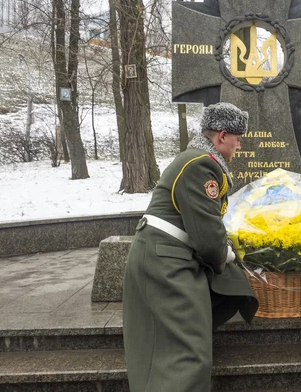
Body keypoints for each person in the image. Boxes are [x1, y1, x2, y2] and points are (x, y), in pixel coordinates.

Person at [122, 102, 259, 392]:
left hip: (165, 255)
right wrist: (226, 253)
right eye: (237, 138)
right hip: (167, 262)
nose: (239, 145)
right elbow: (207, 234)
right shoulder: (202, 164)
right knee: (190, 354)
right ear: (222, 136)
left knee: (177, 346)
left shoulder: (196, 159)